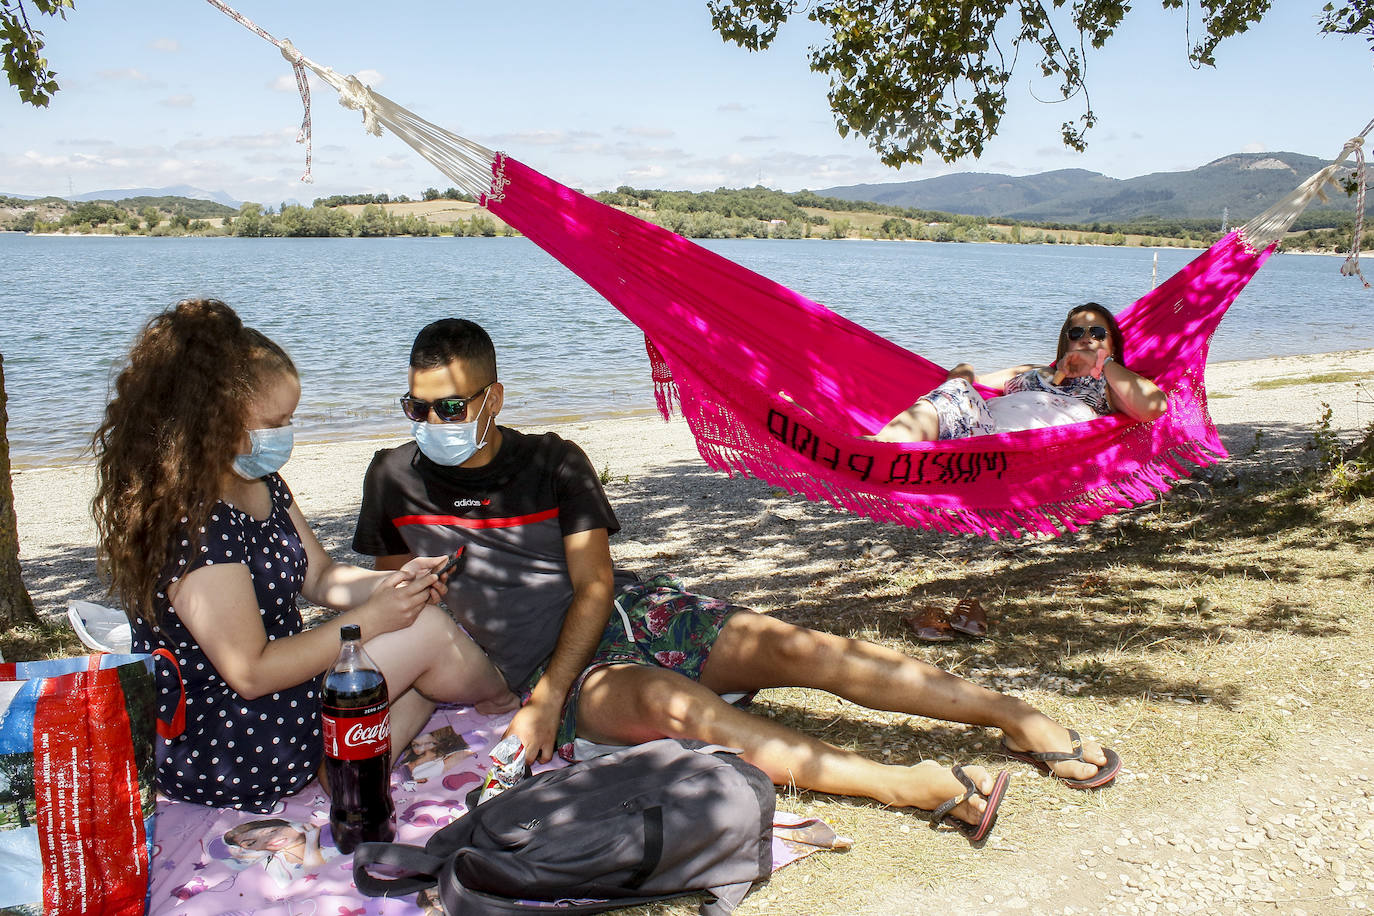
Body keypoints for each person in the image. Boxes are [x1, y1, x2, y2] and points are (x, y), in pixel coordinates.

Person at [352, 318, 1123, 840]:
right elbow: (404, 607)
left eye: (450, 406)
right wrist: (477, 693)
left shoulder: (553, 461)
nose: (433, 422)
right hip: (553, 674)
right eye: (417, 406)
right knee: (682, 709)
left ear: (492, 399)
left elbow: (594, 589)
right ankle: (903, 782)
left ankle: (1012, 714)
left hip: (621, 614)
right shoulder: (391, 477)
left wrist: (547, 698)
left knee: (802, 650)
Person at [92, 299, 518, 814]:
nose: (284, 435)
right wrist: (370, 619)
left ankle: (347, 769)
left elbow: (320, 575)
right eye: (274, 422)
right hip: (229, 737)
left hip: (281, 691)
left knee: (420, 659)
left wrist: (391, 585)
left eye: (289, 418)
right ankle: (507, 704)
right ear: (211, 421)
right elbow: (250, 672)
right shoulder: (194, 525)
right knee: (427, 634)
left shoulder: (259, 480)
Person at [873, 303, 1168, 442]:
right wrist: (965, 369)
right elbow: (966, 382)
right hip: (976, 430)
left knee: (957, 390)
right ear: (1065, 341)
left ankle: (883, 448)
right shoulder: (1033, 372)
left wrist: (1101, 362)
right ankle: (881, 447)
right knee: (957, 390)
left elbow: (1154, 406)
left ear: (1112, 343)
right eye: (1077, 332)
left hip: (1018, 450)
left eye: (1098, 333)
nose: (1087, 338)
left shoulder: (1109, 384)